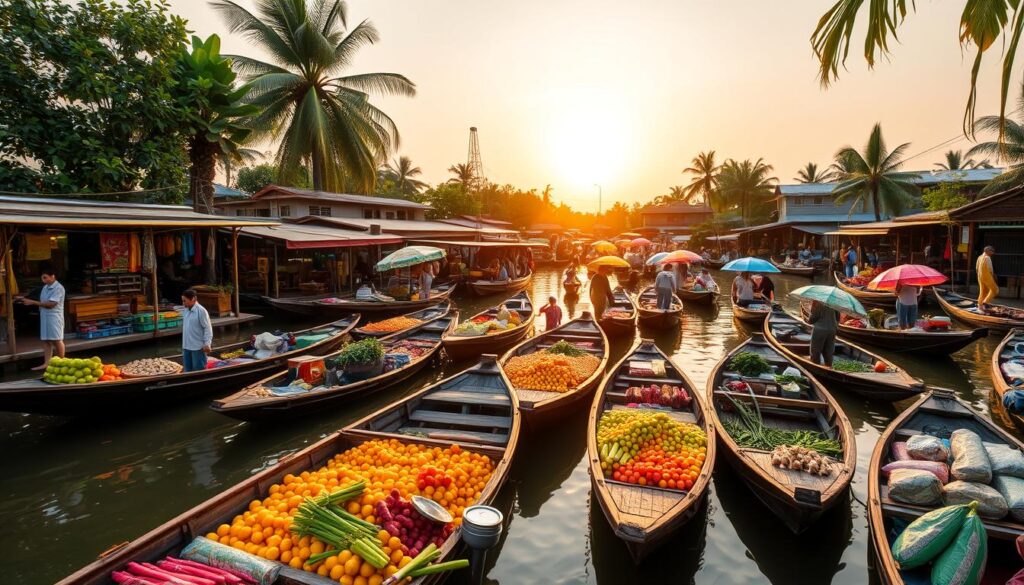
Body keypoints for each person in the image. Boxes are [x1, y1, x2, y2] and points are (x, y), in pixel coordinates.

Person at [19, 268, 65, 370]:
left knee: (57, 340)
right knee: (45, 340)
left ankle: (62, 362)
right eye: (42, 278)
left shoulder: (58, 288)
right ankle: (47, 363)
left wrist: (33, 302)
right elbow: (42, 301)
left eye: (45, 277)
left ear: (52, 276)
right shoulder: (45, 287)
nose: (43, 280)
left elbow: (51, 304)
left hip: (54, 316)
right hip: (44, 316)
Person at [180, 289, 213, 373]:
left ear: (193, 299)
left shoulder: (201, 311)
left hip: (198, 347)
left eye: (185, 301)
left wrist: (207, 344)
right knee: (187, 370)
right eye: (182, 301)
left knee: (199, 371)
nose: (183, 303)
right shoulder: (186, 310)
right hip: (186, 346)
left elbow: (207, 328)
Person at [807, 300, 838, 367]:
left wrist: (811, 311)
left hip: (820, 329)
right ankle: (829, 366)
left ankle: (815, 366)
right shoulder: (834, 302)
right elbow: (837, 317)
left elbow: (812, 319)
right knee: (829, 350)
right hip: (832, 329)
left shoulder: (818, 302)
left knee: (815, 350)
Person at [977, 245, 998, 311]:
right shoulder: (987, 258)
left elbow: (976, 268)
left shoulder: (979, 257)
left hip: (980, 276)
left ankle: (980, 305)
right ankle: (985, 302)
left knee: (983, 291)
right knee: (995, 290)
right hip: (987, 276)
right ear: (987, 251)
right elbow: (990, 269)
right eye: (991, 251)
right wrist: (993, 276)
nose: (993, 253)